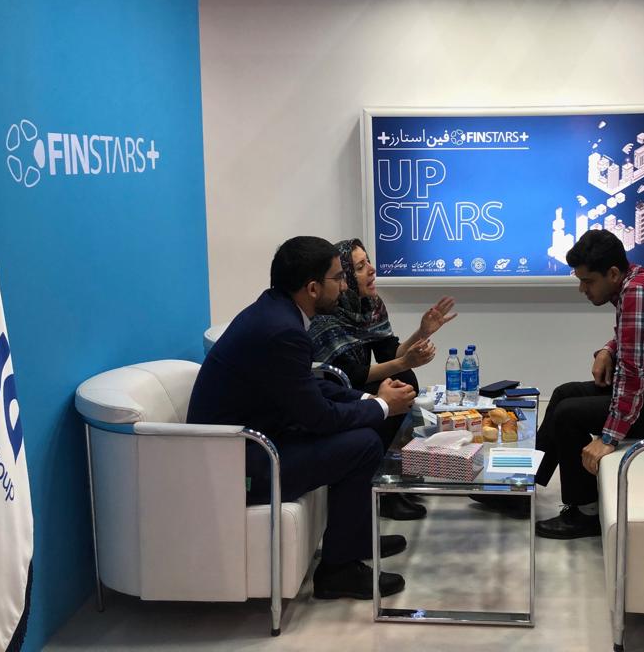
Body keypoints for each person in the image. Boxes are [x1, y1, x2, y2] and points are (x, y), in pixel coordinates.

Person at [186, 236, 417, 599]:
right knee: (362, 445)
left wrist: (368, 398)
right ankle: (339, 571)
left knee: (364, 433)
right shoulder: (282, 331)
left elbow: (308, 388)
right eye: (338, 278)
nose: (344, 286)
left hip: (257, 440)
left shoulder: (276, 313)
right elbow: (318, 417)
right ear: (312, 288)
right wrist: (382, 406)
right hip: (239, 465)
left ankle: (354, 544)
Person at [533, 230, 644, 539]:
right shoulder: (636, 280)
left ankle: (587, 513)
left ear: (613, 273)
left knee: (568, 414)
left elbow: (632, 374)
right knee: (564, 393)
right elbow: (633, 338)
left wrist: (609, 437)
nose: (582, 289)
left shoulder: (637, 293)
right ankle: (524, 486)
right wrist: (608, 349)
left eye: (588, 281)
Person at [308, 237, 457, 520]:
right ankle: (384, 490)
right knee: (398, 380)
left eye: (368, 262)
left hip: (356, 383)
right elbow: (348, 376)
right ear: (345, 277)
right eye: (360, 267)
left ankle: (396, 474)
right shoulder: (327, 315)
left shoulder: (370, 305)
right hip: (336, 391)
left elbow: (389, 353)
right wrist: (402, 362)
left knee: (404, 377)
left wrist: (423, 332)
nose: (372, 270)